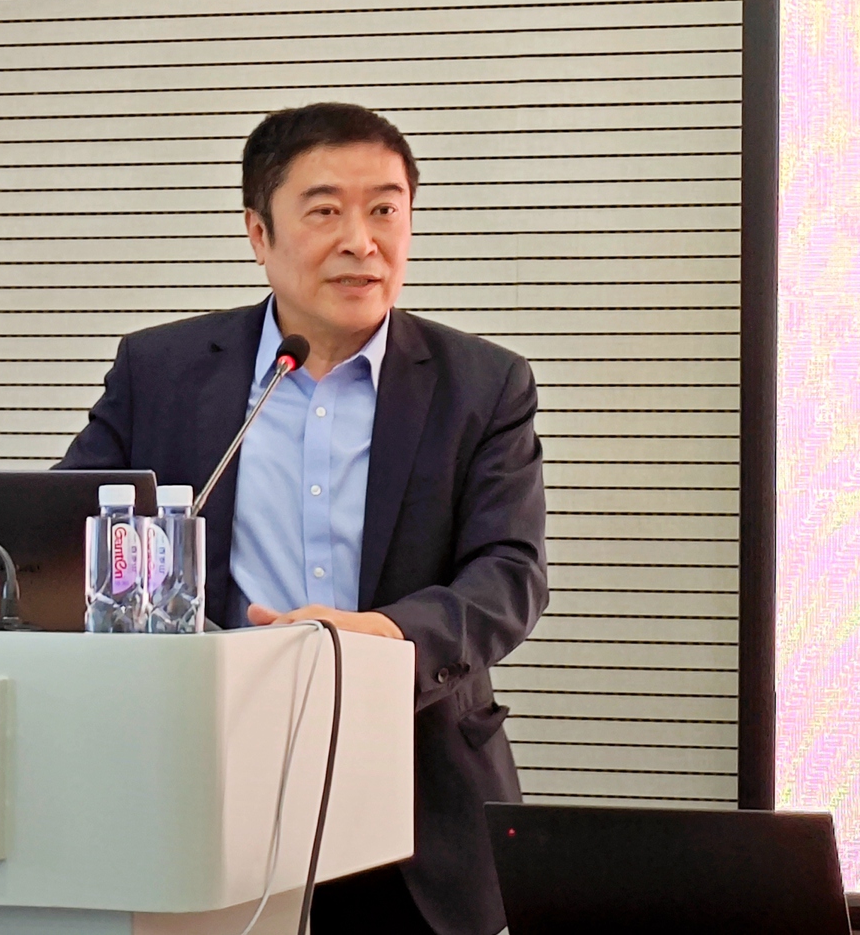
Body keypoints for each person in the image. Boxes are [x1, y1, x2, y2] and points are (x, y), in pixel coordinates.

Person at [58, 102, 549, 935]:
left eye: (385, 209)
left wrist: (382, 636)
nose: (362, 241)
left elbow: (509, 575)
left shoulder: (482, 384)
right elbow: (57, 536)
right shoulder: (162, 370)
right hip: (204, 790)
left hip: (415, 799)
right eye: (325, 211)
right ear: (260, 232)